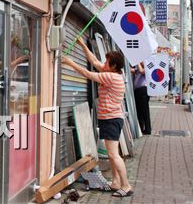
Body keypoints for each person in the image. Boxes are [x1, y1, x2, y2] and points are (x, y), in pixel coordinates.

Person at [61, 39, 133, 198]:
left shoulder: (111, 77)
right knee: (111, 153)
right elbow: (94, 61)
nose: (104, 63)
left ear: (113, 66)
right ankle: (115, 182)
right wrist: (82, 45)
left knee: (114, 154)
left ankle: (126, 185)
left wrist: (70, 63)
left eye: (107, 61)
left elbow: (88, 74)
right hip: (111, 118)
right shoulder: (114, 73)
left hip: (111, 119)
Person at [131, 62, 151, 135]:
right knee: (139, 110)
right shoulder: (138, 66)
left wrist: (138, 62)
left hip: (144, 89)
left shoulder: (149, 66)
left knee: (144, 110)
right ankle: (141, 128)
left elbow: (141, 71)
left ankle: (148, 129)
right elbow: (134, 70)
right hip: (138, 90)